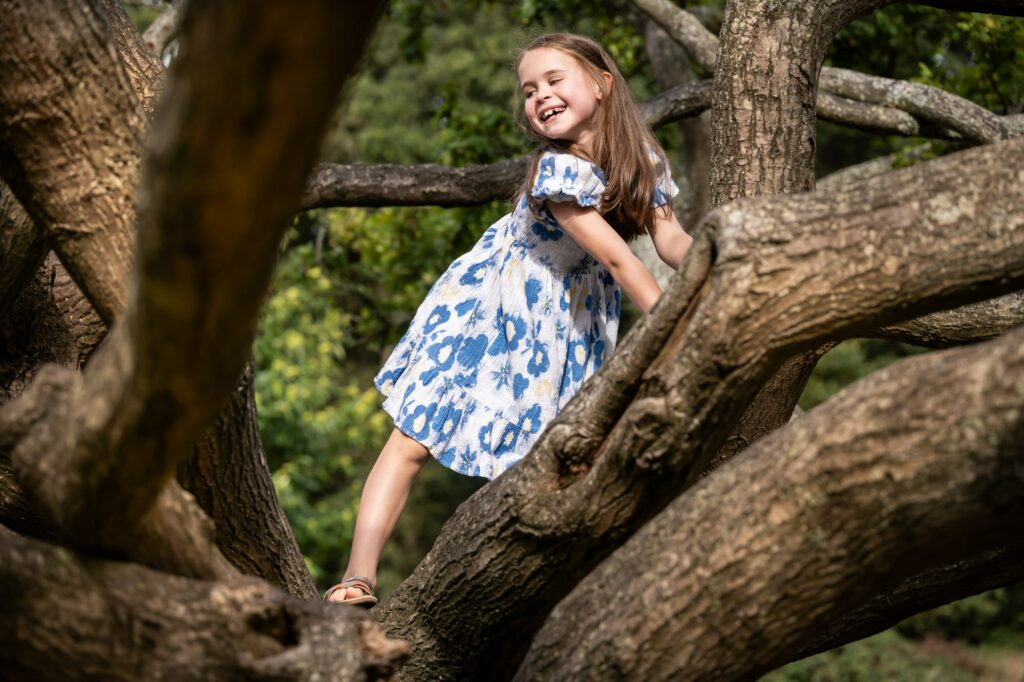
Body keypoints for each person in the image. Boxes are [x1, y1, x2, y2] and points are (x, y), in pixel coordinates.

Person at [324, 32, 693, 606]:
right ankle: (357, 577)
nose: (540, 96)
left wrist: (714, 269)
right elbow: (620, 260)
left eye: (553, 80)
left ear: (602, 82)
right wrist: (679, 321)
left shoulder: (639, 158)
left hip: (567, 323)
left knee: (552, 456)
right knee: (412, 437)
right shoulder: (556, 171)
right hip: (494, 309)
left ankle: (550, 591)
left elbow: (667, 237)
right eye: (529, 90)